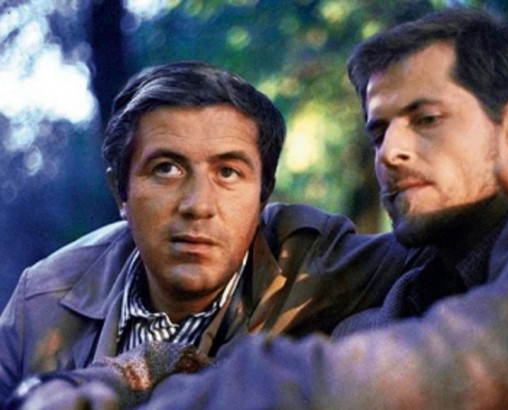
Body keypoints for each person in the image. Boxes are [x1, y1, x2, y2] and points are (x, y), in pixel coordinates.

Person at [2, 9, 508, 407]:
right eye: (378, 131)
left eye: (426, 119)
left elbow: (452, 357)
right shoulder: (409, 284)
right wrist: (111, 380)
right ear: (120, 190)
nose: (390, 153)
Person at [0, 62, 415, 400]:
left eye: (228, 172)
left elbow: (447, 256)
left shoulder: (314, 260)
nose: (198, 205)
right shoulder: (43, 300)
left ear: (263, 195)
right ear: (120, 191)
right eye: (167, 169)